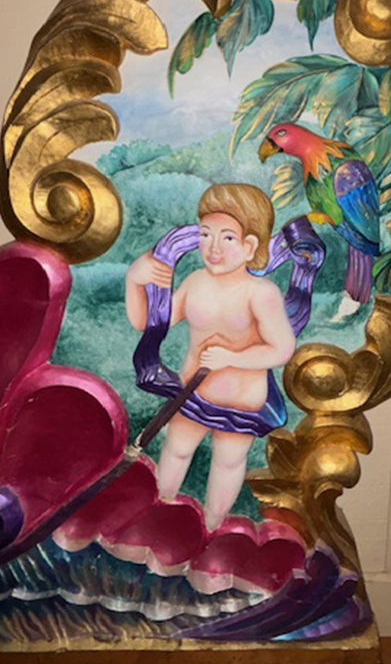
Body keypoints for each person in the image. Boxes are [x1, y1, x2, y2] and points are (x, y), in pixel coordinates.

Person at [125, 183, 296, 530]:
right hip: (192, 392)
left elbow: (281, 348)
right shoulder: (195, 282)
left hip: (240, 401)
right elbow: (149, 323)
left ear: (250, 246)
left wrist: (232, 358)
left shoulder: (260, 293)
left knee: (228, 462)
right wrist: (134, 282)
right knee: (176, 449)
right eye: (205, 234)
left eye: (228, 238)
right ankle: (156, 513)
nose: (214, 248)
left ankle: (212, 528)